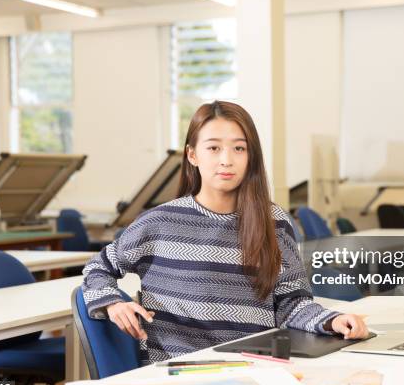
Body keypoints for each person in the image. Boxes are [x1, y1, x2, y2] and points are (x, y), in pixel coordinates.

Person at [81, 100, 368, 364]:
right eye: (214, 148)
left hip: (257, 368)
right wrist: (113, 303)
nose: (226, 160)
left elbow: (291, 303)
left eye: (239, 148)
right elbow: (98, 268)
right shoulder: (158, 222)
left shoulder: (274, 221)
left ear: (250, 156)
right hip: (181, 373)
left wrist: (331, 320)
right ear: (192, 155)